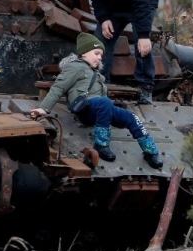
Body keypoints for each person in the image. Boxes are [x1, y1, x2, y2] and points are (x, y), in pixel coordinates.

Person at [31, 32, 163, 169]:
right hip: (85, 109)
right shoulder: (74, 67)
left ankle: (150, 151)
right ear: (84, 53)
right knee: (105, 103)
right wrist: (43, 109)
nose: (100, 58)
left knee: (130, 116)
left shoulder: (97, 75)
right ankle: (101, 144)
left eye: (101, 55)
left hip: (101, 109)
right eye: (96, 53)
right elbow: (58, 87)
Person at [71, 0, 160, 105]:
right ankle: (101, 82)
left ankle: (145, 86)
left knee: (143, 46)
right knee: (99, 41)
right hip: (116, 4)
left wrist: (143, 35)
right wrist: (104, 19)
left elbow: (141, 1)